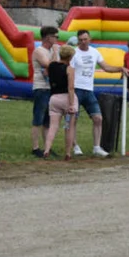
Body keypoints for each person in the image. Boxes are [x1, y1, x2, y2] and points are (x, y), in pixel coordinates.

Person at [72, 31, 127, 157]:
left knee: (98, 118)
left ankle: (96, 147)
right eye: (80, 40)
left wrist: (120, 68)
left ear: (89, 39)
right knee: (73, 119)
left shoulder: (94, 52)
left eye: (85, 39)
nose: (83, 42)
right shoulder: (74, 53)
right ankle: (75, 146)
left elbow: (106, 67)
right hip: (76, 89)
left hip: (88, 89)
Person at [30, 26, 61, 157]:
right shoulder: (39, 50)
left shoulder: (52, 51)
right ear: (48, 37)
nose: (57, 39)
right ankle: (35, 147)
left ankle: (47, 147)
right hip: (41, 87)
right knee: (38, 117)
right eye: (55, 36)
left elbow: (59, 66)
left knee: (48, 120)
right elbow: (50, 65)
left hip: (51, 88)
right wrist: (55, 52)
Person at [43, 45, 78, 159]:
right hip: (67, 98)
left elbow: (49, 67)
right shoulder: (69, 69)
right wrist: (72, 104)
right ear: (70, 57)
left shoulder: (52, 66)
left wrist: (54, 51)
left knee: (53, 126)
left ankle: (47, 149)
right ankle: (68, 153)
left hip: (54, 98)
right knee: (69, 127)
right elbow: (71, 87)